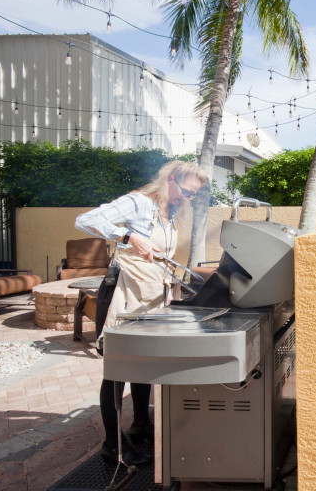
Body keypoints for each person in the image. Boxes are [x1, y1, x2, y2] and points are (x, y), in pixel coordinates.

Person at [75, 160, 207, 465]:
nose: (186, 199)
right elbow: (85, 220)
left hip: (151, 298)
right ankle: (112, 445)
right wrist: (128, 237)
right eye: (185, 192)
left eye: (192, 196)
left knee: (144, 363)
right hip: (124, 295)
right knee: (117, 369)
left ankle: (140, 424)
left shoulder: (170, 214)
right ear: (170, 179)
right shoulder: (138, 203)